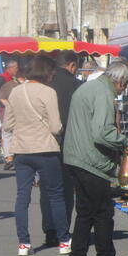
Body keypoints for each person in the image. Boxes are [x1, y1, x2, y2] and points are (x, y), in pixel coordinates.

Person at [63, 62, 128, 256]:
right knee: (102, 212)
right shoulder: (103, 93)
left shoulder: (88, 87)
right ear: (120, 81)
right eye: (124, 85)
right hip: (91, 160)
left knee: (85, 212)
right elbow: (102, 132)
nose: (122, 90)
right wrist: (126, 142)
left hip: (76, 156)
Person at [4, 55, 70, 256]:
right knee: (55, 195)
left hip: (22, 150)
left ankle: (23, 243)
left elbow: (7, 124)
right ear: (46, 72)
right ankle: (64, 240)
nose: (53, 76)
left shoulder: (16, 92)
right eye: (52, 73)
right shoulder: (48, 92)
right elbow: (56, 126)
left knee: (22, 196)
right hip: (46, 149)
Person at [42, 50, 81, 245]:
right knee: (65, 188)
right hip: (70, 141)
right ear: (72, 65)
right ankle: (62, 229)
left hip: (45, 141)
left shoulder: (46, 83)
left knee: (48, 188)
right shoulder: (77, 86)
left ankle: (49, 229)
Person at [0, 62, 24, 171]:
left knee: (8, 135)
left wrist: (10, 107)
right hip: (21, 114)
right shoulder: (7, 82)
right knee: (13, 135)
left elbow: (1, 98)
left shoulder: (8, 85)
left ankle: (9, 159)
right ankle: (13, 158)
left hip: (9, 114)